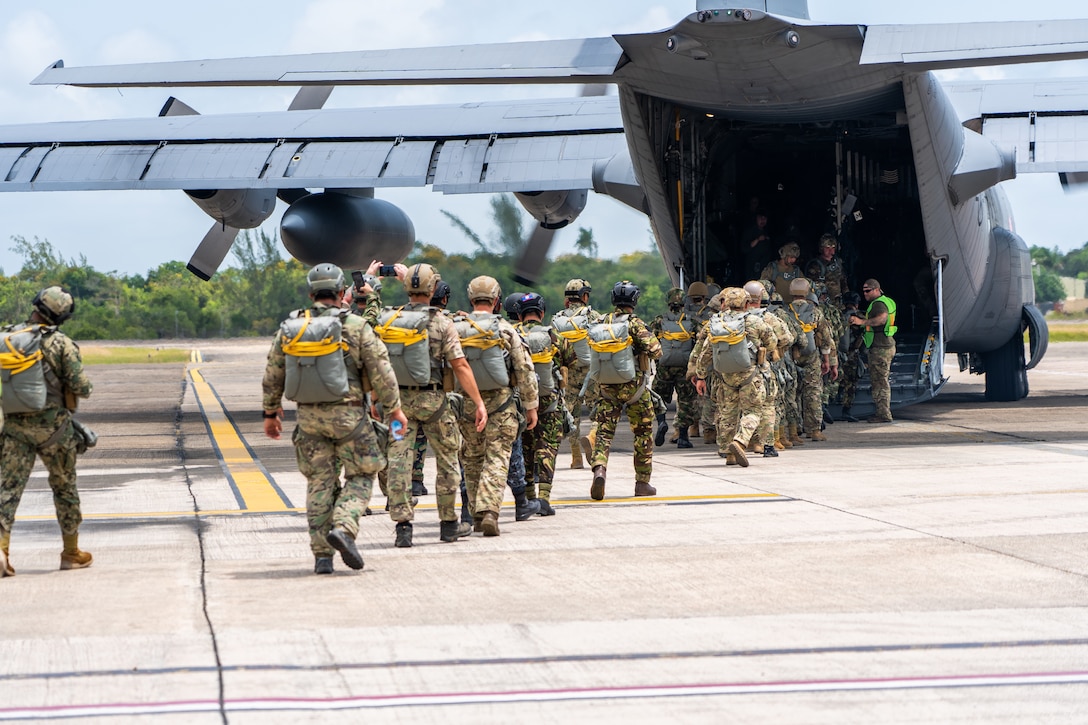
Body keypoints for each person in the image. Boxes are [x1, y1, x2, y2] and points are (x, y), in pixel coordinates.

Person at [263, 264, 407, 574]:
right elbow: (382, 370)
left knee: (319, 484)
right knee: (362, 474)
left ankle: (322, 557)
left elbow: (273, 372)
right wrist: (395, 410)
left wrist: (270, 412)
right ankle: (344, 527)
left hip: (309, 418)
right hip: (350, 417)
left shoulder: (292, 326)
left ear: (311, 293)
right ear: (342, 293)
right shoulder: (355, 326)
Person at [375, 263, 487, 547]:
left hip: (399, 404)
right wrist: (478, 402)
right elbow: (459, 365)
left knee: (399, 461)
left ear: (406, 288)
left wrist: (377, 399)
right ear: (434, 289)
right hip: (435, 402)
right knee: (448, 460)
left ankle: (403, 526)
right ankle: (449, 523)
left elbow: (376, 361)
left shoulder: (390, 319)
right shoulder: (441, 322)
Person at [1, 286, 94, 578]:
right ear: (62, 316)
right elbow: (82, 388)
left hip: (14, 428)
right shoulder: (62, 344)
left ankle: (2, 550)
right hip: (55, 431)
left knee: (7, 491)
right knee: (65, 488)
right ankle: (71, 553)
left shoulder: (9, 339)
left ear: (36, 306)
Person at [454, 276, 538, 536]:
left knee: (471, 460)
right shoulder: (505, 329)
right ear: (496, 300)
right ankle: (490, 511)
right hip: (501, 405)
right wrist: (531, 405)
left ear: (471, 299)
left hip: (467, 406)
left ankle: (476, 515)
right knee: (497, 459)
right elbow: (524, 368)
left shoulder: (456, 328)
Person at [587, 280, 662, 500]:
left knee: (603, 433)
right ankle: (642, 483)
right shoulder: (635, 324)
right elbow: (656, 351)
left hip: (607, 388)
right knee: (643, 433)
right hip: (635, 389)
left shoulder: (600, 322)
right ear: (634, 300)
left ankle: (599, 469)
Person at [691, 287, 777, 467]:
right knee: (753, 411)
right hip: (750, 374)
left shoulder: (715, 323)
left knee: (728, 413)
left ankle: (728, 453)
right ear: (746, 303)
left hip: (725, 376)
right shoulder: (753, 321)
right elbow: (772, 341)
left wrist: (700, 376)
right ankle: (740, 441)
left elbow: (705, 352)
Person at [516, 292, 575, 516]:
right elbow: (571, 358)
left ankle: (529, 498)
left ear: (521, 315)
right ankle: (544, 499)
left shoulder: (512, 334)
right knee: (547, 448)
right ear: (541, 313)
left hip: (521, 402)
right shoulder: (552, 336)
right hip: (549, 401)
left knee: (526, 450)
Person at [551, 279, 601, 469]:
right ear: (584, 296)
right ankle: (592, 438)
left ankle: (576, 458)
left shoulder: (558, 319)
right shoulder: (593, 315)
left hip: (568, 372)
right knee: (598, 411)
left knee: (572, 414)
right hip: (591, 372)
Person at [743, 280, 793, 456]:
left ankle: (743, 441)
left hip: (739, 371)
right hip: (764, 369)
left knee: (742, 407)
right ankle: (763, 443)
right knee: (768, 405)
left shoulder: (732, 319)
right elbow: (788, 339)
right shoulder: (769, 318)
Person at [787, 277, 838, 441]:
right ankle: (814, 430)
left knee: (791, 394)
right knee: (813, 393)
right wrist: (827, 360)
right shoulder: (815, 312)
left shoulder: (784, 312)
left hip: (790, 357)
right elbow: (825, 339)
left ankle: (794, 430)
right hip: (811, 357)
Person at [651, 288, 697, 449]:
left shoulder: (659, 321)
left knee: (658, 397)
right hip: (684, 368)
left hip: (665, 368)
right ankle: (683, 436)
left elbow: (651, 342)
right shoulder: (692, 321)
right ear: (684, 302)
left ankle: (662, 422)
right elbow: (699, 344)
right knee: (685, 401)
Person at [850, 279, 897, 423]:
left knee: (879, 382)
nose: (865, 294)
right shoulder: (888, 301)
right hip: (886, 345)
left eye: (868, 290)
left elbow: (881, 320)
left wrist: (861, 322)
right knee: (880, 380)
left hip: (880, 348)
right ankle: (883, 412)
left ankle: (883, 414)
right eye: (864, 291)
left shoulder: (878, 304)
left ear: (877, 289)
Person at [805, 234, 849, 300]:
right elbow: (811, 286)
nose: (831, 251)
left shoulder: (837, 262)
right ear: (822, 248)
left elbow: (843, 281)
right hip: (823, 302)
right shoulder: (815, 265)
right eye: (827, 248)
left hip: (839, 301)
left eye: (833, 248)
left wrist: (847, 296)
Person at [741, 208, 772, 279]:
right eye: (760, 218)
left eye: (765, 218)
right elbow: (744, 248)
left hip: (764, 268)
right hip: (752, 268)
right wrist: (757, 239)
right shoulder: (749, 231)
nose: (762, 220)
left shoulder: (767, 231)